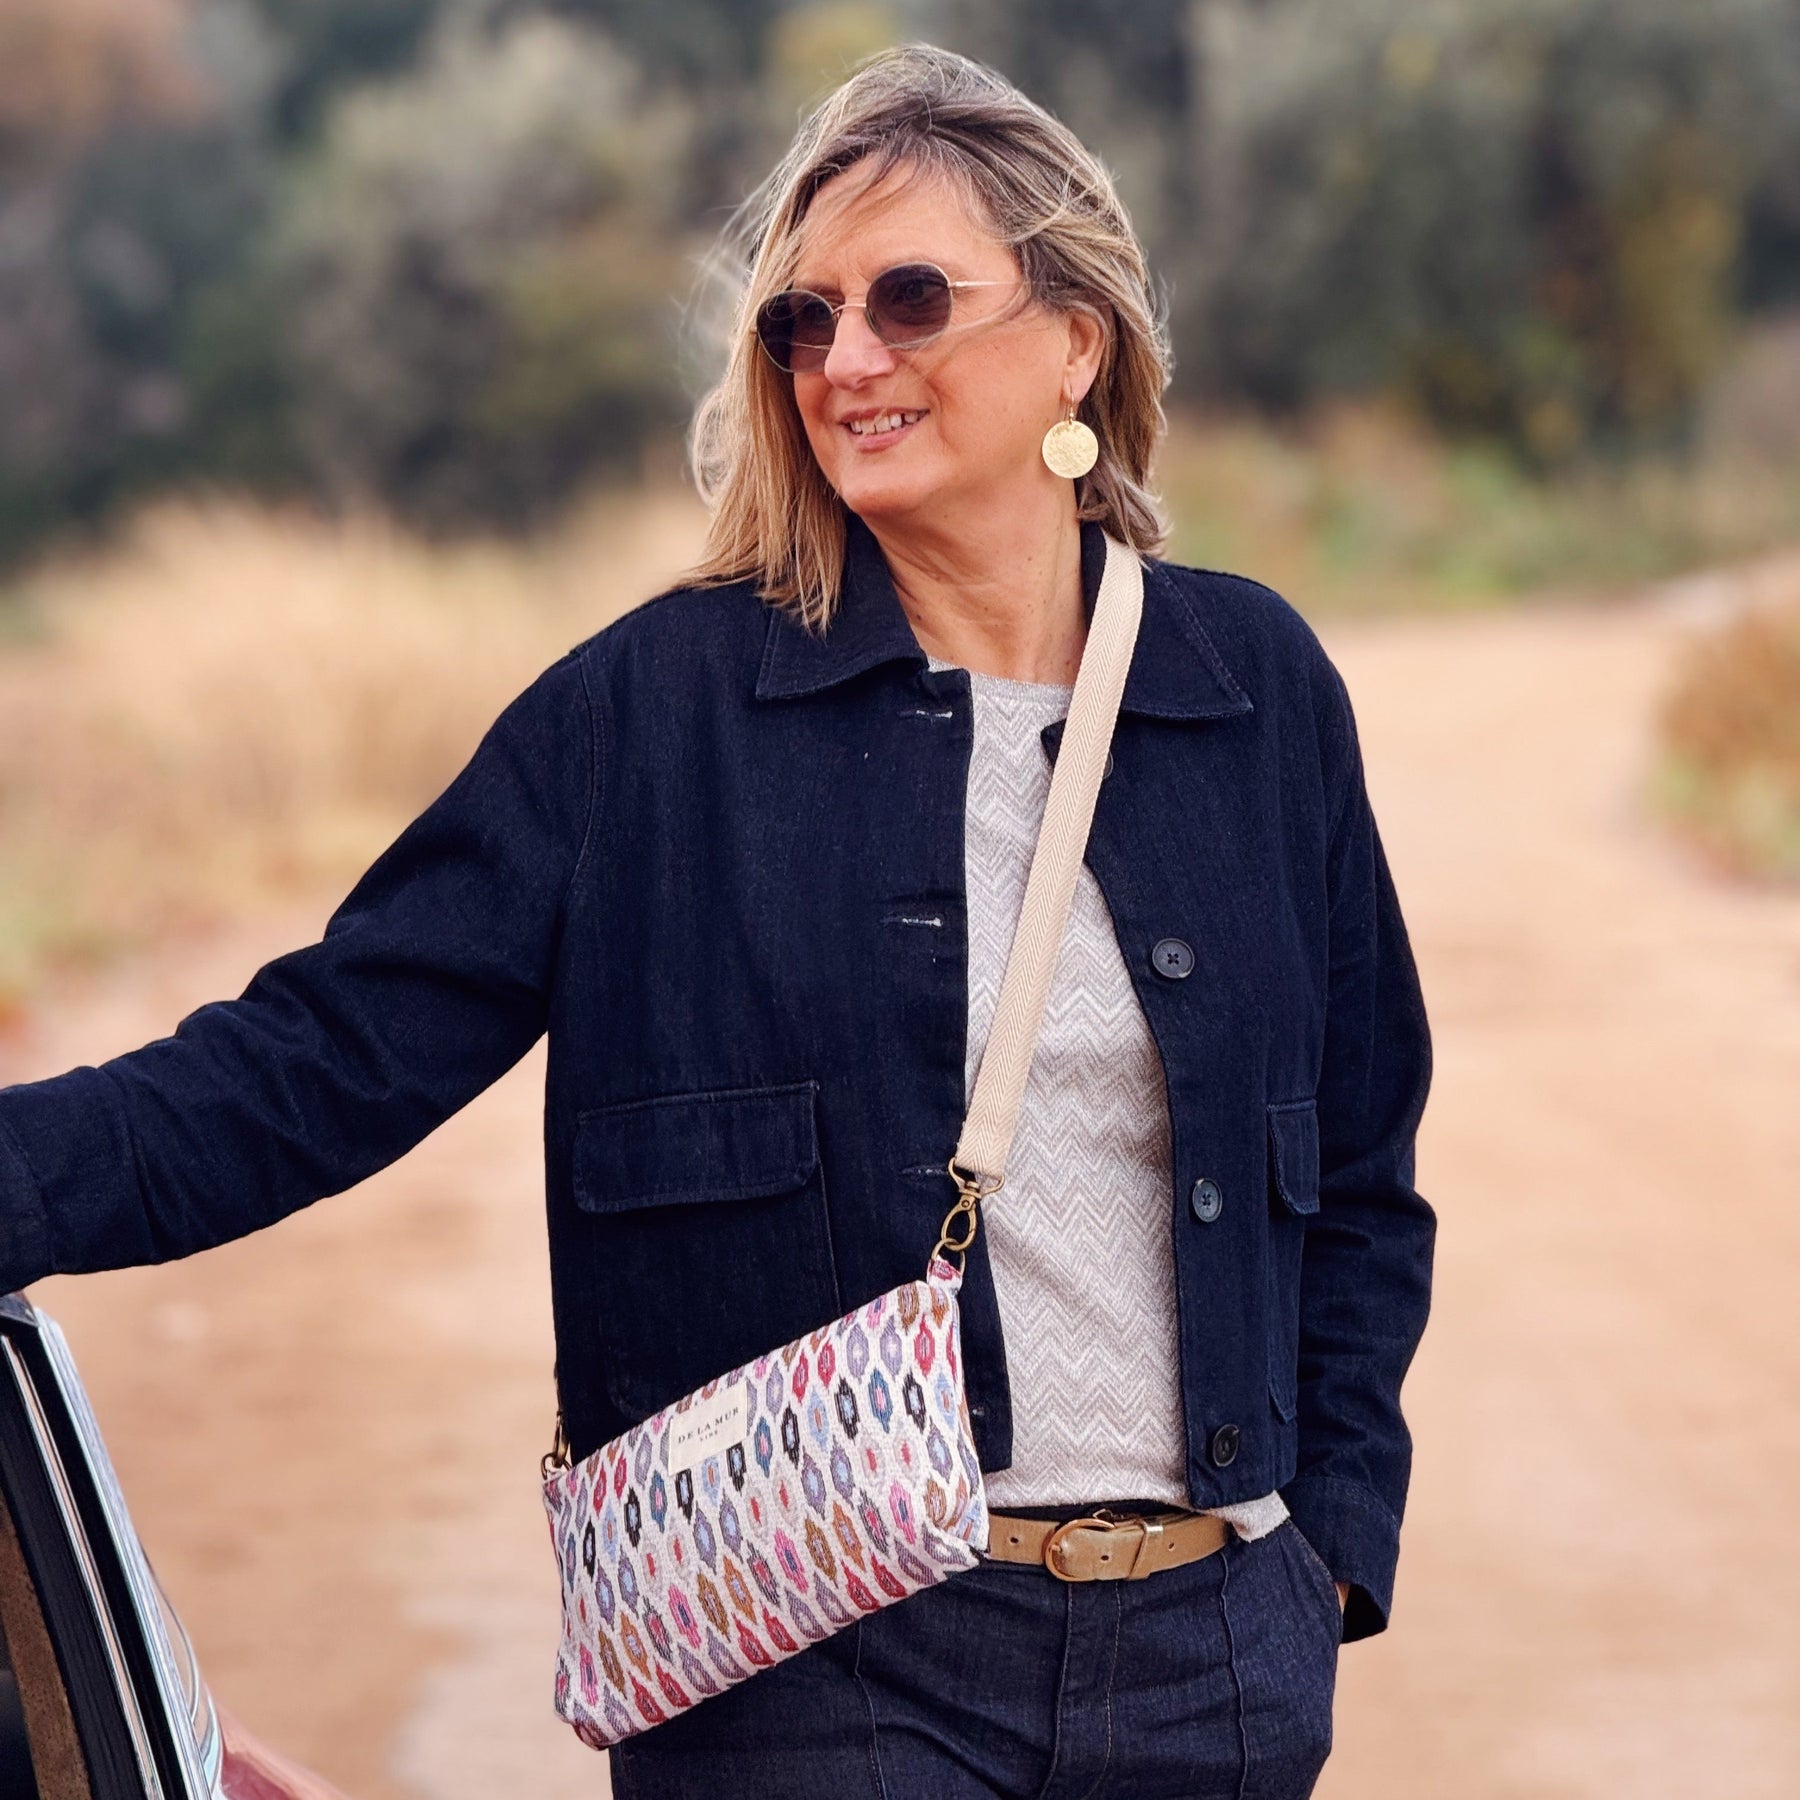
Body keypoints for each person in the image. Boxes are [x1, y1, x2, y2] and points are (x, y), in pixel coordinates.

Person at [0, 43, 1433, 1800]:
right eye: (802, 322)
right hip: (819, 1673)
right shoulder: (649, 718)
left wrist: (1324, 1559)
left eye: (911, 299)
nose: (849, 359)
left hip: (1210, 1676)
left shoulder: (1252, 688)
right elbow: (315, 1061)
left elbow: (1363, 1168)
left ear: (1079, 338)